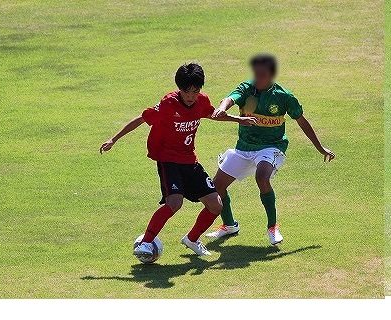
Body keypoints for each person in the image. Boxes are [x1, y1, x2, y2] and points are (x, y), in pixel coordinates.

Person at [101, 62, 247, 261]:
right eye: (187, 92)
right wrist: (114, 139)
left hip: (189, 160)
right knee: (174, 203)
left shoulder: (202, 101)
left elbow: (212, 114)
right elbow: (142, 118)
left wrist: (239, 120)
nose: (191, 96)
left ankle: (192, 239)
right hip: (167, 159)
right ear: (180, 88)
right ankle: (146, 242)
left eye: (195, 91)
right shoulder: (168, 104)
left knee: (216, 205)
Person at [201, 53, 337, 246]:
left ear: (271, 75)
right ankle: (230, 225)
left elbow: (302, 121)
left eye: (262, 75)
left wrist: (320, 147)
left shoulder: (284, 97)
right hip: (244, 148)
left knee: (262, 177)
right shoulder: (247, 88)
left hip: (272, 147)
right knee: (217, 186)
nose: (257, 78)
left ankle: (272, 227)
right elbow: (230, 98)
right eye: (256, 74)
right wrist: (222, 107)